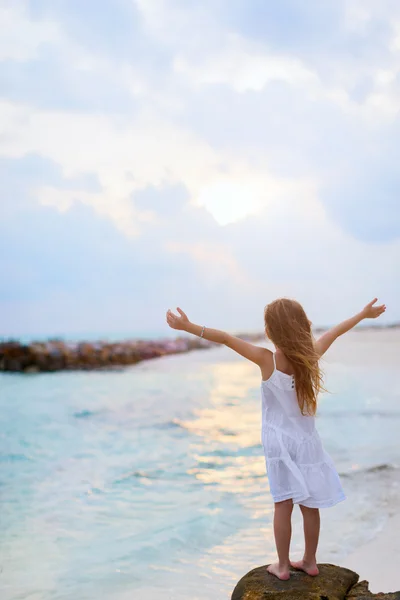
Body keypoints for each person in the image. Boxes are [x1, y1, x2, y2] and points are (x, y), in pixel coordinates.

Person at [165, 297, 386, 581]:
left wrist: (188, 327)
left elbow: (226, 339)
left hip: (279, 442)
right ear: (302, 326)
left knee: (283, 504)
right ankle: (309, 560)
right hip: (307, 440)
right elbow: (336, 331)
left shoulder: (265, 359)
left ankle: (282, 566)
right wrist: (363, 314)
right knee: (310, 504)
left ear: (271, 331)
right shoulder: (310, 355)